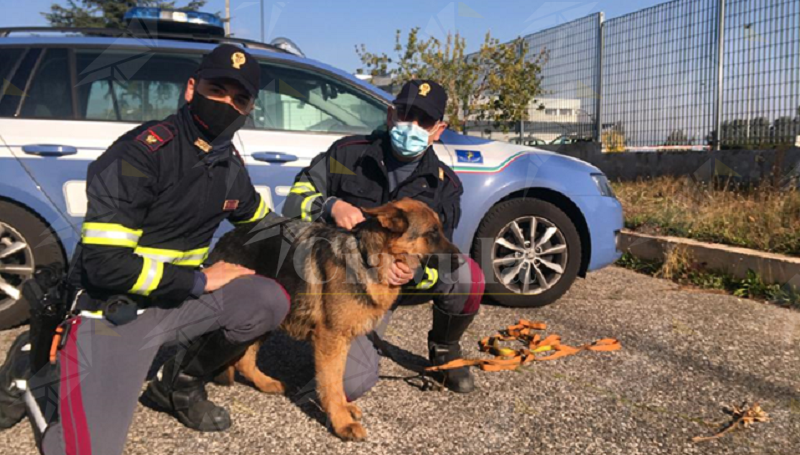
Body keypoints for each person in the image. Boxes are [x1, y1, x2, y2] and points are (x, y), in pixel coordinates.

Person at [0, 44, 291, 455]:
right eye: (217, 89)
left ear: (249, 109)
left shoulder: (229, 164)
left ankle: (174, 384)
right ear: (192, 89)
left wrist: (328, 237)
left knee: (267, 299)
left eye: (239, 98)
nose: (227, 103)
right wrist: (203, 279)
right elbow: (105, 266)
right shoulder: (140, 154)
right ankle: (32, 368)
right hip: (114, 310)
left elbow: (262, 222)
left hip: (176, 300)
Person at [283, 80, 485, 398]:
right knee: (352, 384)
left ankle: (445, 349)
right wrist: (330, 205)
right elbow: (294, 199)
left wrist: (414, 272)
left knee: (466, 275)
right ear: (391, 115)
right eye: (406, 114)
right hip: (348, 284)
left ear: (438, 130)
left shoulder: (445, 185)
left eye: (425, 121)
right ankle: (327, 327)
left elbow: (442, 259)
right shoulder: (347, 154)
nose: (413, 126)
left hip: (401, 283)